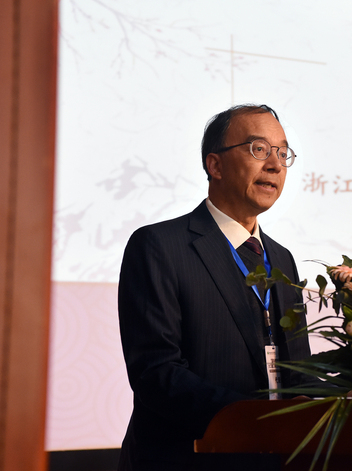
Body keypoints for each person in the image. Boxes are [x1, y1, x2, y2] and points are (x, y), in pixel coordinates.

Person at [117, 104, 311, 470]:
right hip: (187, 459)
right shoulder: (159, 246)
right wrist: (257, 418)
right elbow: (156, 373)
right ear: (215, 165)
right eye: (259, 149)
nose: (275, 164)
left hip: (275, 458)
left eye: (283, 153)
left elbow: (298, 371)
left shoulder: (281, 259)